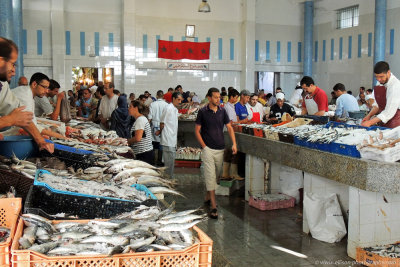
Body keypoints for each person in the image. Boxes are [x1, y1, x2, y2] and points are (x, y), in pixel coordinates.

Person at [0, 38, 52, 152]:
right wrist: (8, 120)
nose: (14, 71)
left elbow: (23, 116)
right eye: (13, 64)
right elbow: (14, 118)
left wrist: (41, 141)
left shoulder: (2, 85)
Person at [195, 87, 237, 219]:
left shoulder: (222, 111)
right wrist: (204, 147)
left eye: (219, 97)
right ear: (209, 97)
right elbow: (197, 130)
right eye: (215, 97)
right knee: (210, 176)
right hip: (208, 150)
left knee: (216, 177)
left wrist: (234, 143)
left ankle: (208, 197)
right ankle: (213, 206)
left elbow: (229, 127)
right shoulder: (202, 112)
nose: (218, 99)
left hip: (220, 149)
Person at [13, 73, 66, 139]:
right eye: (44, 87)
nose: (46, 91)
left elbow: (33, 123)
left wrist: (58, 135)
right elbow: (29, 124)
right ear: (34, 84)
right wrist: (59, 136)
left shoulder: (30, 94)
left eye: (47, 88)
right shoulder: (25, 96)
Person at [362, 61, 400, 128]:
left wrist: (370, 122)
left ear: (388, 72)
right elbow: (377, 105)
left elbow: (389, 112)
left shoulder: (395, 86)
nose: (379, 79)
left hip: (395, 124)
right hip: (383, 122)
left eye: (381, 77)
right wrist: (369, 116)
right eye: (376, 77)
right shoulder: (380, 82)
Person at [157, 92, 183, 178]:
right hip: (168, 139)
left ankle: (169, 179)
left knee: (171, 162)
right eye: (178, 99)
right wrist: (160, 131)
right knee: (168, 163)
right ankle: (168, 181)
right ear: (173, 99)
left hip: (172, 140)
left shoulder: (175, 109)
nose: (180, 101)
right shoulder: (168, 108)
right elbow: (162, 123)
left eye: (181, 100)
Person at [221, 88, 243, 180]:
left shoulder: (231, 106)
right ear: (232, 97)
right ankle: (232, 173)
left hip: (230, 132)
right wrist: (241, 123)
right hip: (229, 132)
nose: (237, 99)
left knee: (229, 152)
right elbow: (230, 123)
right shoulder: (228, 107)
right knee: (232, 152)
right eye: (236, 97)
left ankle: (227, 173)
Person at [128, 100, 153, 164]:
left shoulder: (140, 120)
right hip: (143, 153)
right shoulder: (140, 119)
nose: (128, 109)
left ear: (136, 108)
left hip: (143, 154)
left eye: (130, 107)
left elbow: (137, 138)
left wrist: (127, 142)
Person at [148, 90, 168, 166]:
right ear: (163, 96)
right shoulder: (166, 105)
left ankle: (153, 161)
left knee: (152, 143)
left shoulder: (152, 104)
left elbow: (150, 117)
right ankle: (160, 161)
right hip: (162, 125)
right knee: (161, 143)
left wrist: (146, 125)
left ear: (156, 96)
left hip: (154, 124)